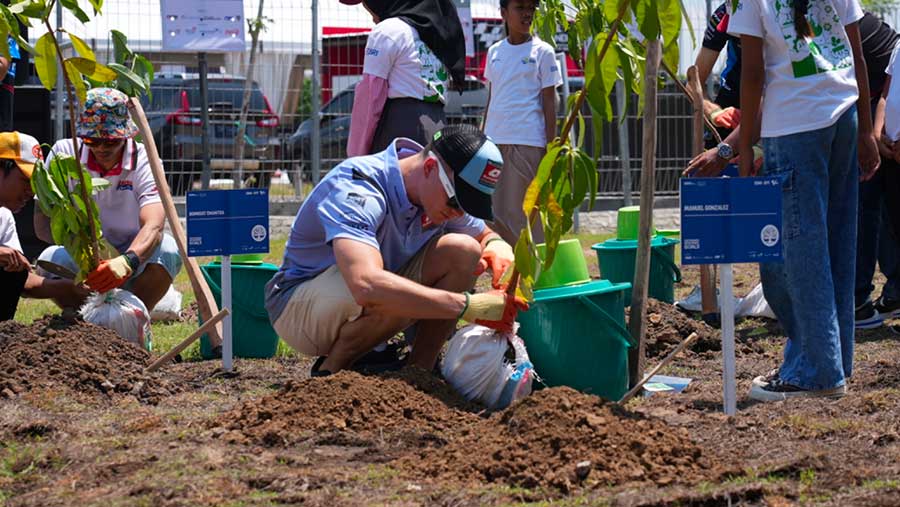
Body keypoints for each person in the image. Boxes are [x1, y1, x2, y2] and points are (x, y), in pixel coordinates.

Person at [687, 11, 900, 330]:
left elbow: (777, 84)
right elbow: (705, 79)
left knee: (822, 232)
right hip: (835, 112)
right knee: (842, 224)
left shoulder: (771, 11)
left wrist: (735, 147)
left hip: (830, 115)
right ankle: (838, 327)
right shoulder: (739, 15)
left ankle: (824, 342)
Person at [265, 124, 525, 376]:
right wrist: (466, 306)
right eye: (457, 201)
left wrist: (496, 245)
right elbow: (366, 285)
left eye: (468, 206)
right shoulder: (360, 187)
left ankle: (419, 372)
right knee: (375, 289)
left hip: (359, 292)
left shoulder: (437, 191)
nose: (458, 212)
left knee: (463, 250)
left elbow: (481, 235)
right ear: (430, 167)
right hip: (298, 306)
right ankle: (332, 371)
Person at [730, 0, 880, 401]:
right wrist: (865, 130)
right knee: (837, 243)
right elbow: (857, 56)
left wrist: (745, 147)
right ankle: (834, 362)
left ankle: (816, 372)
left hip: (794, 127)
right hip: (843, 118)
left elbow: (753, 74)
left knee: (799, 255)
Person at [34, 88, 182, 312]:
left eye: (110, 141)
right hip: (83, 256)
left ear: (126, 135)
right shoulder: (62, 153)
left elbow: (154, 224)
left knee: (169, 251)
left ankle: (132, 316)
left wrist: (126, 262)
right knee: (49, 261)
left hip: (135, 259)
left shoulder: (144, 159)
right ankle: (86, 316)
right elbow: (42, 223)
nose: (101, 148)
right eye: (92, 140)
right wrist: (87, 260)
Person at [343, 0, 467, 156]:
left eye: (371, 9)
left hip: (400, 127)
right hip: (438, 125)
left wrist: (356, 155)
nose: (373, 19)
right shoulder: (437, 34)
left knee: (396, 179)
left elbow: (370, 98)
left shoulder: (389, 31)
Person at [482, 0, 561, 245]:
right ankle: (507, 269)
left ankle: (532, 274)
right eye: (520, 8)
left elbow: (550, 100)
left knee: (522, 213)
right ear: (504, 13)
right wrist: (481, 138)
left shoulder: (543, 51)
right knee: (492, 212)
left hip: (526, 142)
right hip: (493, 143)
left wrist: (552, 146)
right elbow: (491, 97)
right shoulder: (494, 51)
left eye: (531, 8)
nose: (527, 14)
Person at [0, 131, 82, 321]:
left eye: (36, 183)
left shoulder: (4, 217)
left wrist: (69, 286)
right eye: (26, 181)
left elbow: (22, 281)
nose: (31, 191)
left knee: (13, 267)